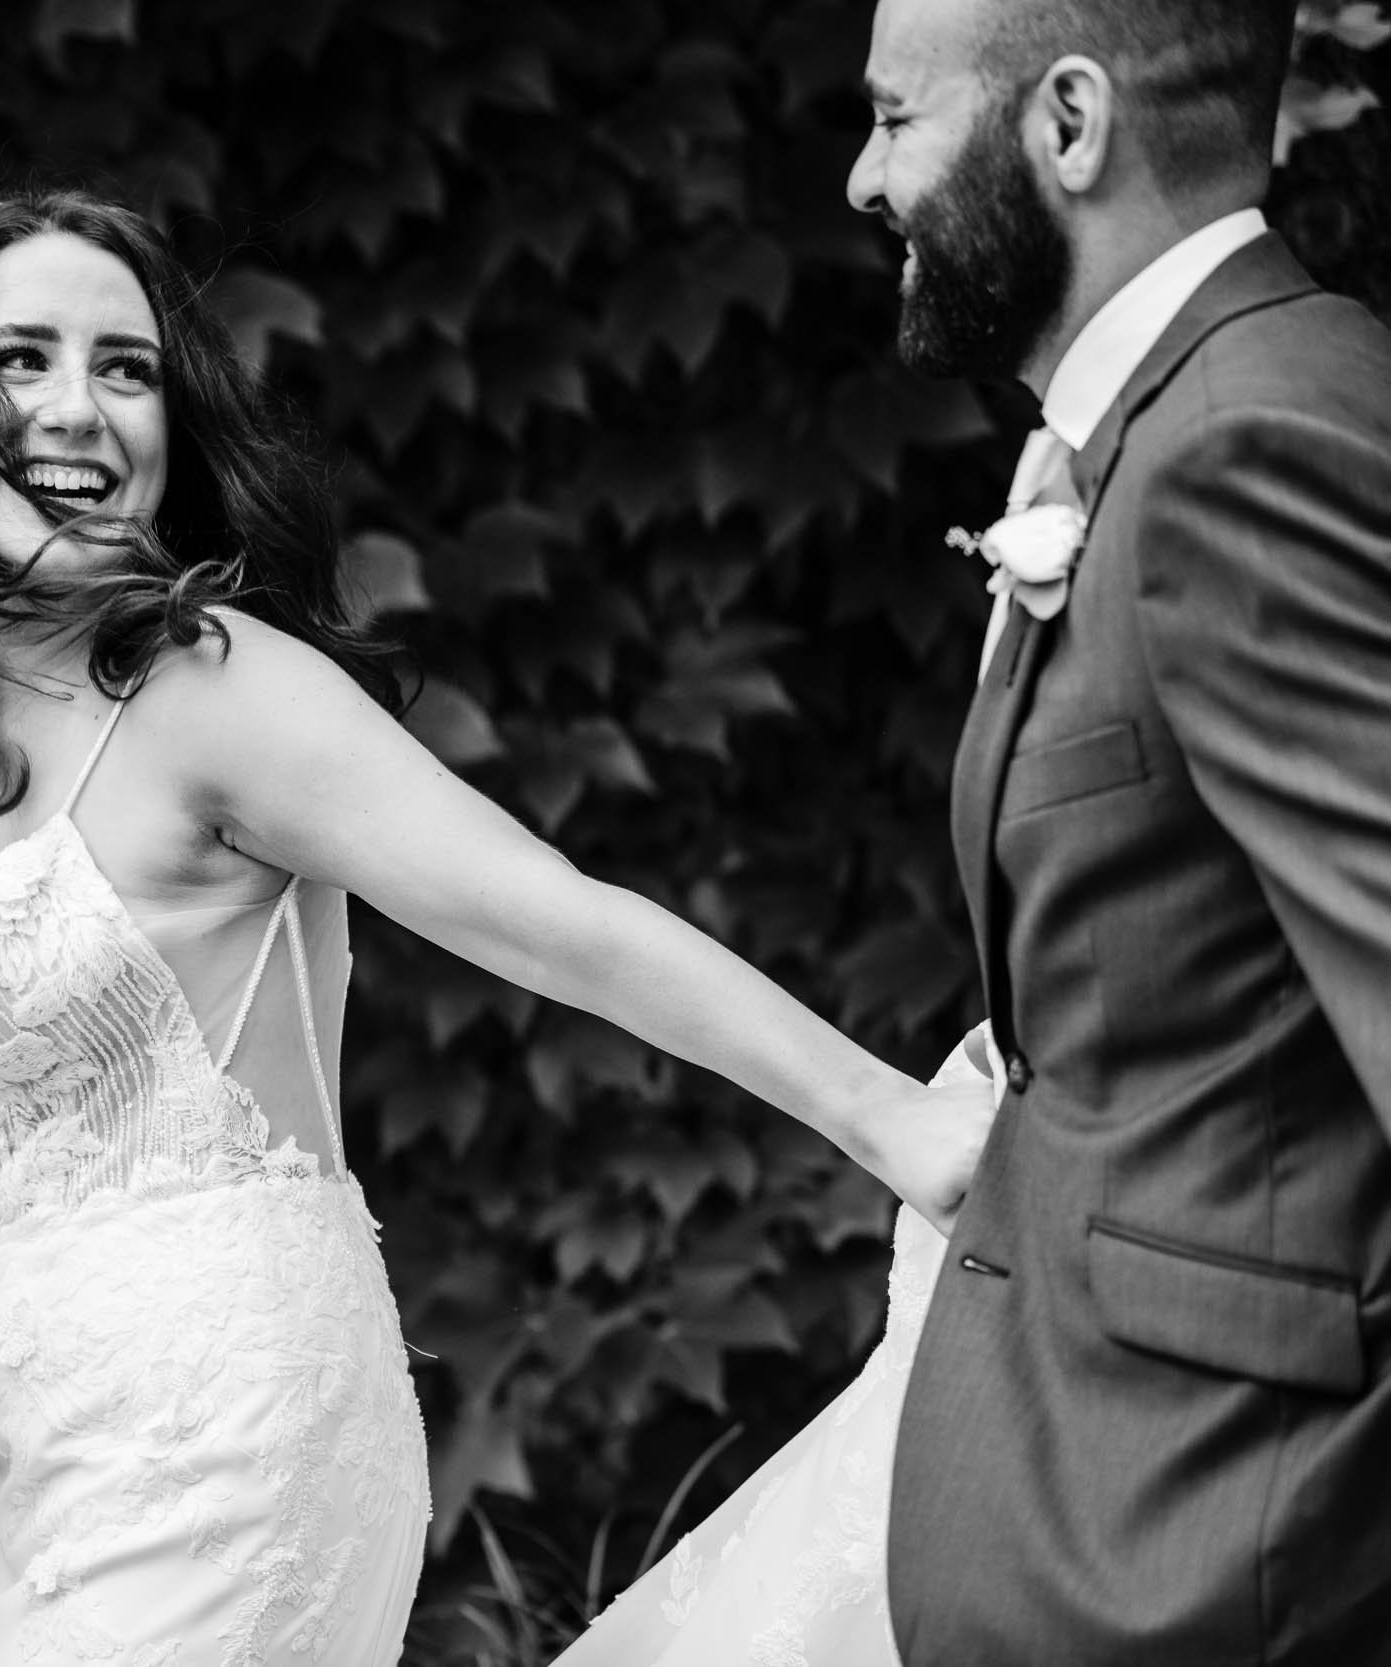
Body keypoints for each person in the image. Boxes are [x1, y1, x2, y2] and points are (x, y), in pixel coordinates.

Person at [0, 188, 994, 1664]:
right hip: (56, 1470)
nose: (78, 409)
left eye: (127, 367)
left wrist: (897, 1124)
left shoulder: (211, 684)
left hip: (232, 1436)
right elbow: (34, 1153)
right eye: (22, 357)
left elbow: (558, 923)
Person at [560, 0, 1391, 1662]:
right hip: (1084, 1472)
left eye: (897, 118)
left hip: (1200, 1545)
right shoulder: (1165, 422)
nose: (864, 181)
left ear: (1068, 126)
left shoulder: (1248, 445)